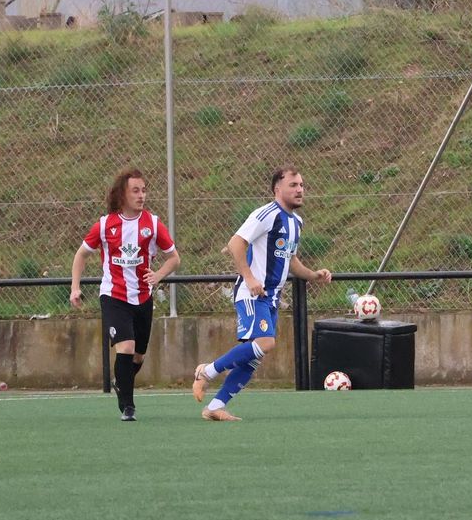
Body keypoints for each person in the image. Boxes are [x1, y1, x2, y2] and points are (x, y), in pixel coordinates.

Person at [192, 168, 332, 421]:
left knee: (253, 357)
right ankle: (207, 372)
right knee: (266, 343)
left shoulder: (296, 222)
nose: (300, 189)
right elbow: (236, 243)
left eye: (301, 184)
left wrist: (313, 275)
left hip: (271, 298)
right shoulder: (266, 214)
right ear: (278, 189)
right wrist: (249, 277)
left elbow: (291, 260)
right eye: (293, 185)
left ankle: (214, 407)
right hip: (251, 293)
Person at [70, 167, 180, 421]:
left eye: (144, 190)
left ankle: (122, 381)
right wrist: (75, 287)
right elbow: (81, 255)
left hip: (142, 296)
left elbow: (174, 258)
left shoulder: (152, 224)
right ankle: (128, 406)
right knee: (126, 346)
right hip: (114, 296)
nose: (141, 196)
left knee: (138, 354)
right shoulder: (105, 225)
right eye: (135, 191)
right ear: (122, 195)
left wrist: (158, 275)